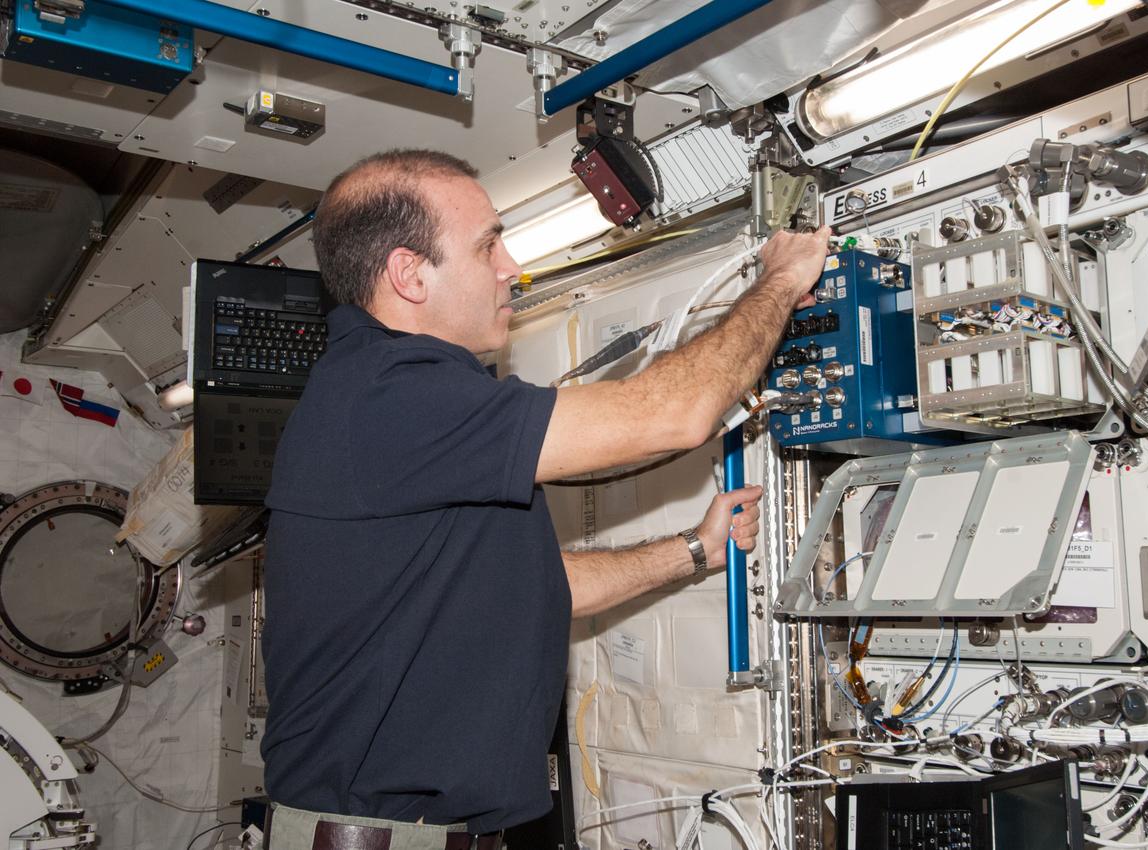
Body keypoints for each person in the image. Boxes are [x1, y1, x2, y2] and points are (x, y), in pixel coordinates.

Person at [261, 149, 831, 850]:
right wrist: (780, 280)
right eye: (488, 246)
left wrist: (693, 550)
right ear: (409, 274)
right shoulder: (391, 395)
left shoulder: (392, 400)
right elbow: (677, 413)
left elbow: (529, 585)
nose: (512, 268)